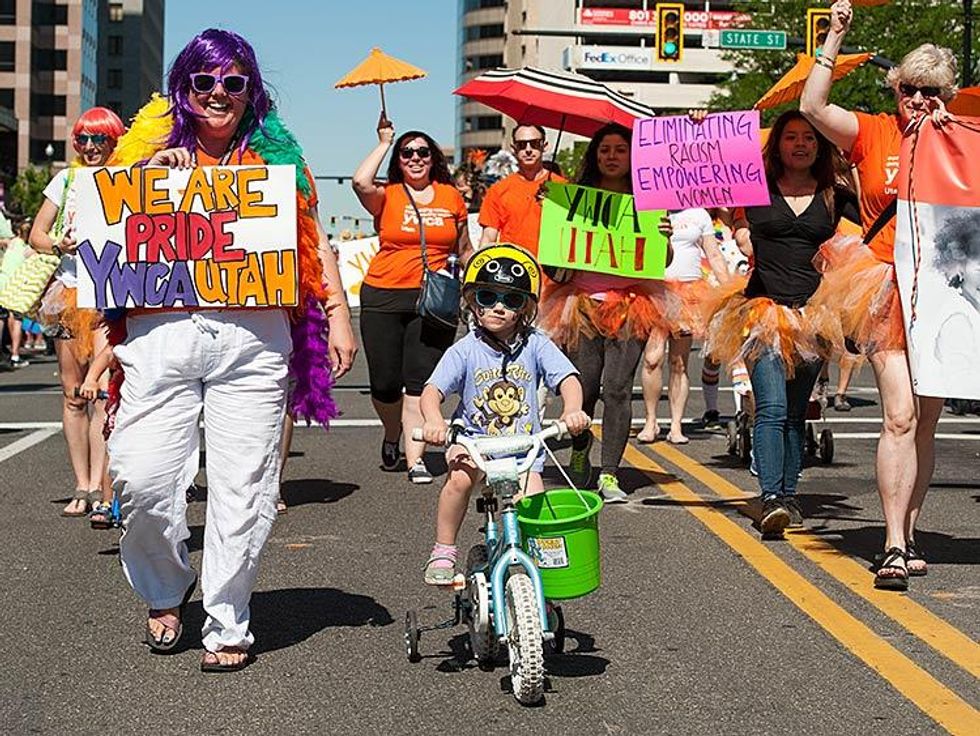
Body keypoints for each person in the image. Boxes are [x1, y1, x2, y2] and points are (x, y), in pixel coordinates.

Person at [105, 29, 356, 671]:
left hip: (253, 340)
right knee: (140, 478)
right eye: (204, 82)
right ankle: (166, 586)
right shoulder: (147, 151)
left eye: (234, 83)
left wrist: (336, 311)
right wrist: (145, 177)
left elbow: (308, 238)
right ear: (183, 89)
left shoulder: (279, 159)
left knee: (244, 487)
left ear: (252, 93)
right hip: (160, 339)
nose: (219, 94)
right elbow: (98, 227)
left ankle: (227, 620)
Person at [800, 0, 957, 588]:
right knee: (897, 415)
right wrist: (834, 38)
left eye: (931, 91)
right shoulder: (873, 130)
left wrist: (955, 134)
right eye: (910, 89)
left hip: (945, 291)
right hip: (885, 284)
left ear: (946, 94)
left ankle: (911, 531)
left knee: (926, 423)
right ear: (896, 89)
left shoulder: (964, 140)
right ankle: (892, 544)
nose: (918, 100)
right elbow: (812, 106)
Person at [704, 111, 854, 538]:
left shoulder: (834, 194)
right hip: (761, 310)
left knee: (794, 412)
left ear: (820, 145)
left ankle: (789, 495)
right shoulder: (754, 187)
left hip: (813, 316)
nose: (801, 144)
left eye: (809, 137)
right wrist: (700, 126)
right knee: (769, 408)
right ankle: (770, 496)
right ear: (778, 146)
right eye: (791, 137)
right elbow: (705, 174)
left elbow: (876, 220)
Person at [419, 244, 590, 584]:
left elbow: (568, 379)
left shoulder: (536, 344)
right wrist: (434, 420)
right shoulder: (464, 350)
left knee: (535, 504)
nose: (498, 307)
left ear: (524, 308)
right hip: (474, 443)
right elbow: (431, 391)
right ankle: (444, 549)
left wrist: (572, 409)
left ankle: (539, 573)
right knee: (458, 480)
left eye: (510, 300)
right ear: (472, 301)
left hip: (522, 448)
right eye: (487, 296)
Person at [539, 123, 671, 502]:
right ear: (594, 156)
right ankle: (580, 449)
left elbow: (662, 261)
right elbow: (555, 254)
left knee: (617, 389)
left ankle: (610, 473)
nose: (612, 156)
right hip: (581, 304)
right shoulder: (573, 200)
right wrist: (551, 210)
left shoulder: (647, 201)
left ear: (632, 157)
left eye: (619, 149)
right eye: (604, 150)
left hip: (632, 306)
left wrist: (663, 235)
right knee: (586, 388)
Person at [353, 119, 472, 483]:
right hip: (383, 295)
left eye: (423, 152)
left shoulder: (451, 196)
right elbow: (360, 182)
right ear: (399, 160)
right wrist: (384, 142)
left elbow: (464, 250)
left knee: (419, 381)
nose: (416, 158)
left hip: (434, 301)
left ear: (434, 158)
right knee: (385, 384)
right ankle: (392, 434)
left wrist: (479, 285)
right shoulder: (387, 194)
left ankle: (415, 458)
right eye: (407, 153)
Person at [29, 107, 126, 518]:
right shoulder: (65, 180)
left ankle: (106, 493)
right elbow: (37, 234)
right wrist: (59, 246)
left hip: (108, 295)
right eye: (83, 140)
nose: (90, 148)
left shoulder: (127, 178)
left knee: (102, 393)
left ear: (114, 141)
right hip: (70, 295)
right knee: (72, 397)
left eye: (99, 139)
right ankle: (83, 486)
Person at [638, 208, 730, 444]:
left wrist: (730, 289)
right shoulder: (648, 207)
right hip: (656, 290)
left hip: (689, 294)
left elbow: (714, 254)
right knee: (652, 358)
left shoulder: (699, 214)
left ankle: (676, 425)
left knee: (679, 362)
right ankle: (651, 421)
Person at [479, 124, 565, 254]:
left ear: (545, 146)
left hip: (552, 272)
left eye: (535, 143)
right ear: (514, 148)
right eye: (522, 145)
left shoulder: (563, 187)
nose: (528, 149)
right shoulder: (498, 190)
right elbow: (488, 238)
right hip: (513, 270)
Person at [1, 219, 37, 368]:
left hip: (2, 281)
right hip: (16, 285)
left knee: (2, 317)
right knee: (16, 319)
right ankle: (15, 355)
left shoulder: (12, 243)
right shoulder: (29, 250)